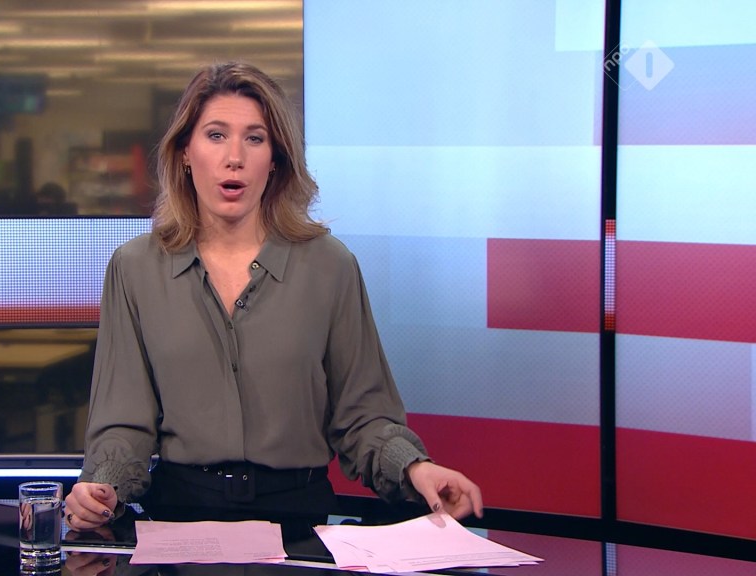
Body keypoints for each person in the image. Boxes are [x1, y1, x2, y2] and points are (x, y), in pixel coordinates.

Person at [65, 62, 482, 532]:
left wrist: (414, 467)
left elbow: (362, 416)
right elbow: (123, 421)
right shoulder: (136, 268)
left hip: (297, 519)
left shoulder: (329, 266)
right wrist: (103, 486)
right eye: (216, 135)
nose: (235, 157)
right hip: (180, 519)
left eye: (255, 138)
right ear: (185, 153)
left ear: (276, 159)